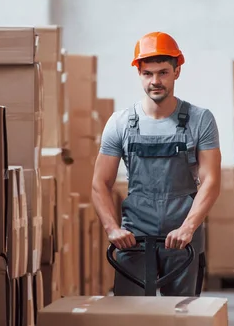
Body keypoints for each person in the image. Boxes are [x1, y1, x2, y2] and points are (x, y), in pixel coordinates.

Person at [91, 31, 222, 297]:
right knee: (132, 317)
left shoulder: (200, 120)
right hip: (135, 235)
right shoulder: (120, 123)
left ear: (177, 71)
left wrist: (188, 227)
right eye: (148, 74)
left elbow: (211, 181)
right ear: (139, 73)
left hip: (182, 233)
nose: (155, 81)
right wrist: (113, 229)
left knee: (183, 316)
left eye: (163, 72)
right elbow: (100, 184)